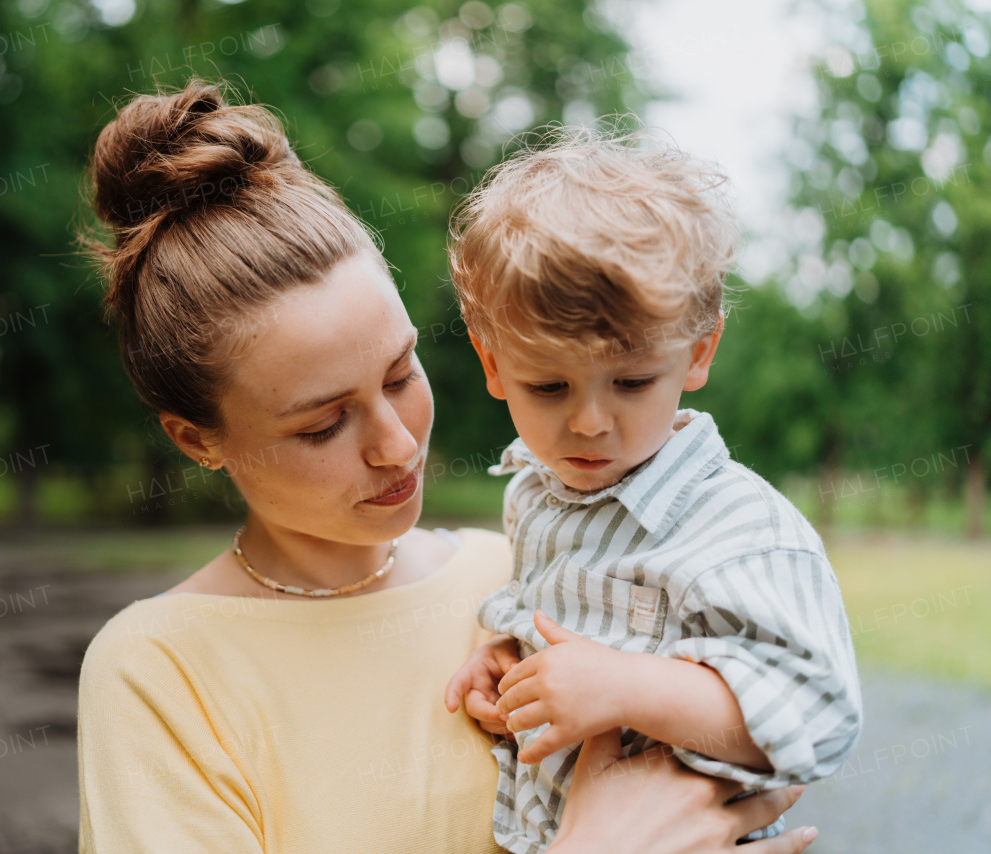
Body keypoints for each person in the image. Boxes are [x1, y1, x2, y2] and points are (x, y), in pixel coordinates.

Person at [76, 78, 821, 854]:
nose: (397, 444)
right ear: (198, 439)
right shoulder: (161, 675)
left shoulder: (534, 574)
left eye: (401, 374)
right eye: (324, 424)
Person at [443, 127, 862, 853]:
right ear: (492, 364)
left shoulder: (740, 528)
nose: (590, 423)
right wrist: (512, 663)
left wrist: (627, 687)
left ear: (699, 352)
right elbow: (571, 629)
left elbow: (821, 713)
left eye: (632, 382)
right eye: (547, 385)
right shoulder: (537, 497)